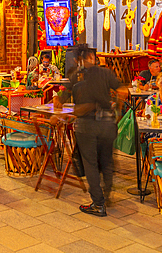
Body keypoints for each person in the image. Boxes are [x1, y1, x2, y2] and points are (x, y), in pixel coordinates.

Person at [53, 44, 126, 217]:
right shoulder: (106, 73)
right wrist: (117, 114)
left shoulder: (75, 76)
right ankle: (106, 196)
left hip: (87, 125)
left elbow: (60, 101)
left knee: (90, 164)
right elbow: (123, 91)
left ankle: (98, 204)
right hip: (107, 123)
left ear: (79, 60)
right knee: (107, 161)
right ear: (93, 58)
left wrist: (58, 107)